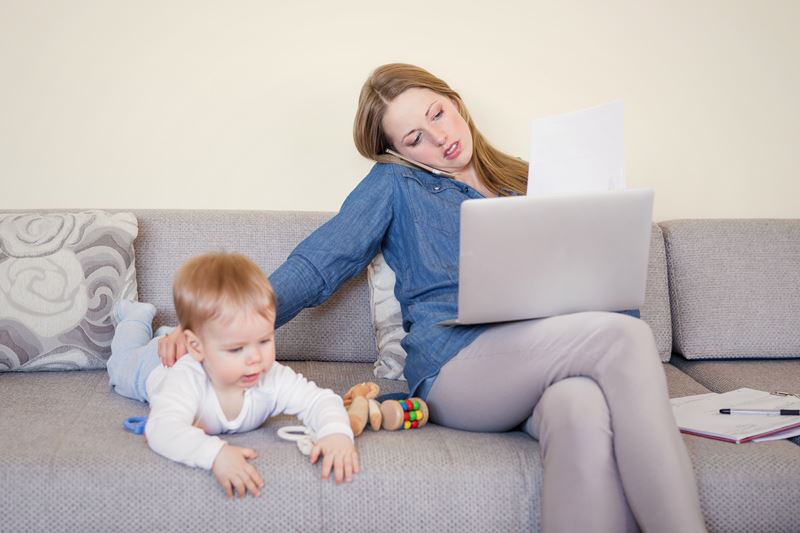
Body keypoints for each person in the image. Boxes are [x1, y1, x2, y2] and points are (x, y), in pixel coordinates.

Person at [160, 64, 706, 532]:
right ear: (399, 151)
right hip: (461, 368)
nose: (438, 137)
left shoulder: (532, 179)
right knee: (627, 337)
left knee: (581, 407)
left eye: (437, 114)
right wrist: (212, 327)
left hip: (549, 363)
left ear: (456, 104)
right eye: (414, 137)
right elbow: (316, 266)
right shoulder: (395, 186)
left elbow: (600, 273)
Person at [107, 252, 359, 498]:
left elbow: (320, 400)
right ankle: (136, 317)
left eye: (264, 340)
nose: (255, 358)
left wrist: (335, 432)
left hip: (197, 341)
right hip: (155, 365)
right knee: (119, 367)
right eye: (237, 348)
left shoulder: (271, 377)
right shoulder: (184, 380)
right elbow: (161, 429)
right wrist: (214, 454)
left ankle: (170, 333)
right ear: (196, 347)